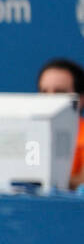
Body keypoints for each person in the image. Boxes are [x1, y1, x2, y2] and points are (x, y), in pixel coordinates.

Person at [36, 57, 84, 189]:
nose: (50, 99)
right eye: (44, 92)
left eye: (59, 92)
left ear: (80, 98)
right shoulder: (29, 135)